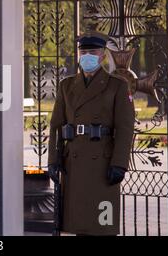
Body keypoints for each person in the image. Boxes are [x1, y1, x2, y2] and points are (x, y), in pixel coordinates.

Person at [47, 33, 135, 236]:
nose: (87, 56)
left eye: (92, 52)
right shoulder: (66, 85)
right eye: (83, 52)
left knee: (101, 224)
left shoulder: (117, 85)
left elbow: (125, 128)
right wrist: (53, 159)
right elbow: (56, 125)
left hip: (102, 164)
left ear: (103, 55)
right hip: (73, 162)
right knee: (79, 223)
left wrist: (119, 164)